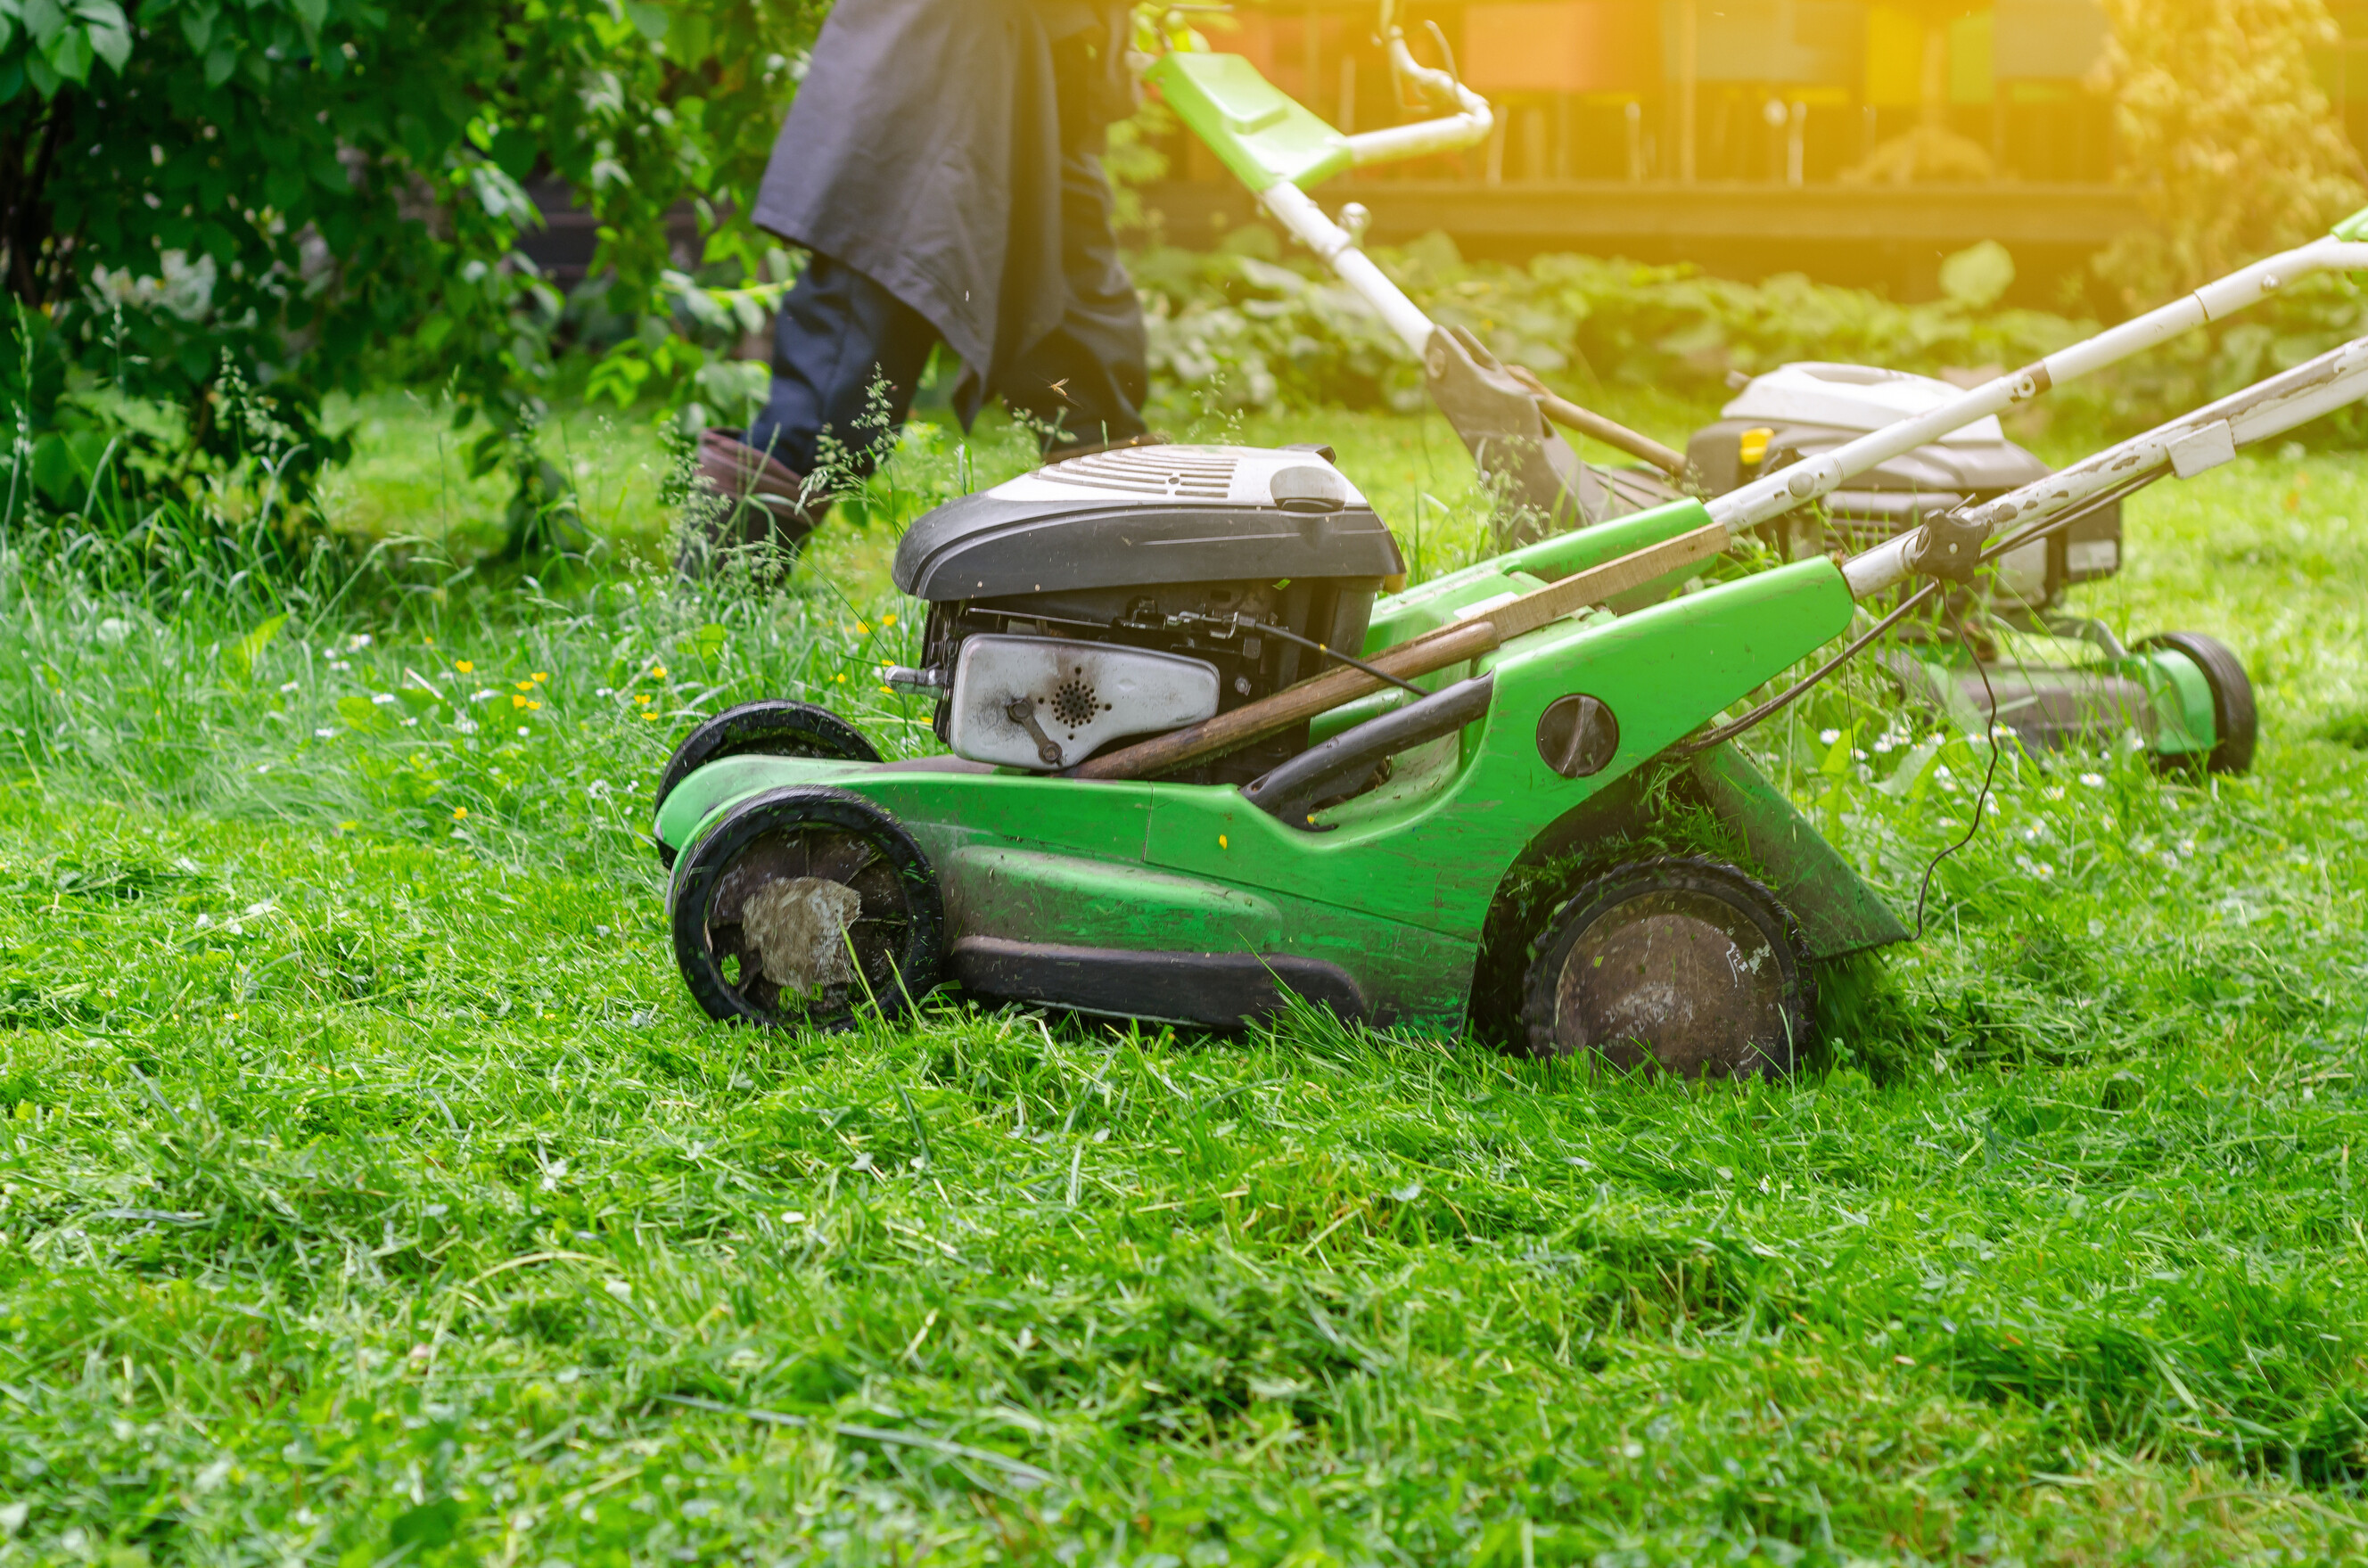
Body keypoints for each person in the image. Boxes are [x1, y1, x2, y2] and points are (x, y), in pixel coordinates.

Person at [686, 0, 1153, 575]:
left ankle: (1129, 601)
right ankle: (712, 597)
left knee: (1082, 362)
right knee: (844, 378)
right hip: (932, 70)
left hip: (1048, 78)